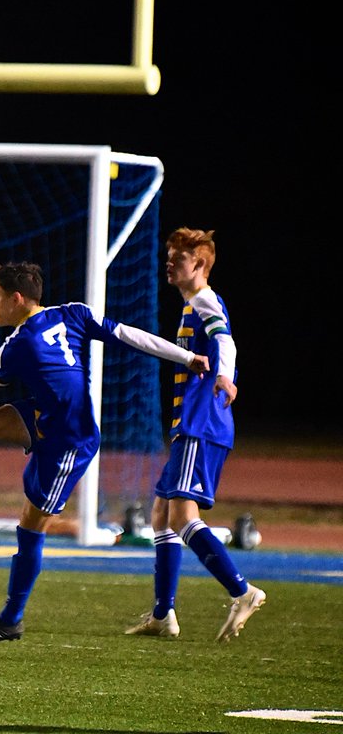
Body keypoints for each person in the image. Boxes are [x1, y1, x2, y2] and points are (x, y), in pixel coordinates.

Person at [0, 261, 210, 642]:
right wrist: (187, 358)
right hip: (45, 420)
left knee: (30, 526)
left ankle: (11, 619)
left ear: (17, 298)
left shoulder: (15, 346)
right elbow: (130, 336)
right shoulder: (74, 313)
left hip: (69, 442)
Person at [124, 228, 264, 642]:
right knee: (160, 516)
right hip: (193, 425)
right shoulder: (191, 304)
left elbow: (225, 338)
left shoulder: (204, 299)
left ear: (199, 265)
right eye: (168, 256)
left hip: (201, 425)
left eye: (178, 258)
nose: (169, 263)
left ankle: (243, 591)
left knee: (184, 516)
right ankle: (163, 614)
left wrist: (223, 375)